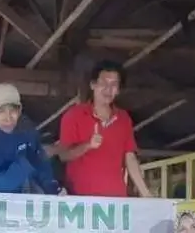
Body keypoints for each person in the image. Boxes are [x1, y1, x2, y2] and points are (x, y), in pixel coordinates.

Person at [57, 60, 152, 198]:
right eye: (104, 83)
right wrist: (88, 145)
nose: (108, 89)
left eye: (114, 84)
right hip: (80, 200)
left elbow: (130, 158)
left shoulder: (123, 118)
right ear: (93, 85)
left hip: (116, 200)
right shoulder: (73, 115)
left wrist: (147, 195)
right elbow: (63, 155)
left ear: (118, 90)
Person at [0, 83, 63, 194]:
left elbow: (42, 169)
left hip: (20, 198)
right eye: (1, 111)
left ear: (20, 110)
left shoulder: (28, 132)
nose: (8, 117)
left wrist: (53, 189)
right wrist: (25, 164)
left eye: (13, 110)